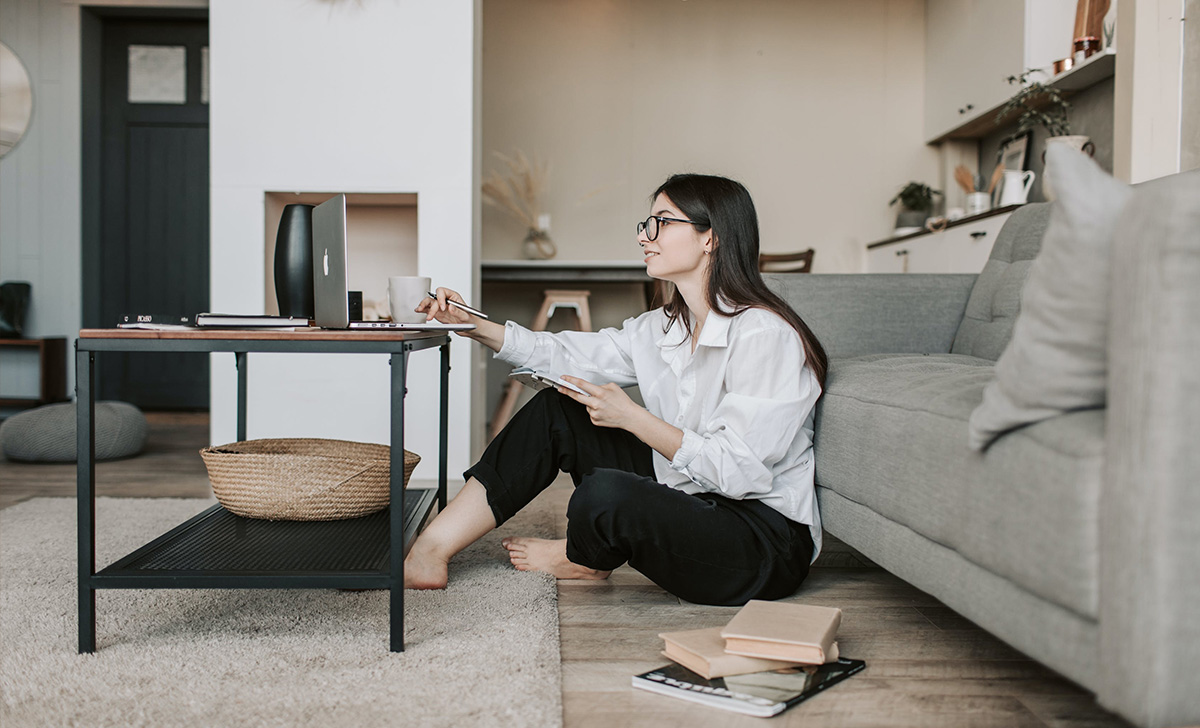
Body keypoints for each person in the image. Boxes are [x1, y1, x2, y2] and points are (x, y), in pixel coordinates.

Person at [405, 173, 828, 606]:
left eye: (663, 222)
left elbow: (739, 474)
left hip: (761, 539)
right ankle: (431, 548)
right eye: (646, 224)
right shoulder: (664, 327)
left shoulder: (763, 335)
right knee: (560, 408)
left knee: (605, 495)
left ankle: (583, 557)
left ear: (710, 238)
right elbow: (563, 355)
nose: (646, 236)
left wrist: (633, 418)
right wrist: (471, 325)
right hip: (693, 495)